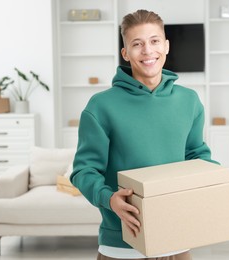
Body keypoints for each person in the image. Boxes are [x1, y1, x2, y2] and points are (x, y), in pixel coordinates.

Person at [70, 9, 217, 260]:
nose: (148, 51)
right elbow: (83, 171)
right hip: (122, 244)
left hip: (177, 239)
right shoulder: (101, 106)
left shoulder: (189, 101)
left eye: (154, 41)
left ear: (166, 46)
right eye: (137, 44)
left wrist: (214, 179)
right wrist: (109, 199)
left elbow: (196, 154)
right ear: (125, 53)